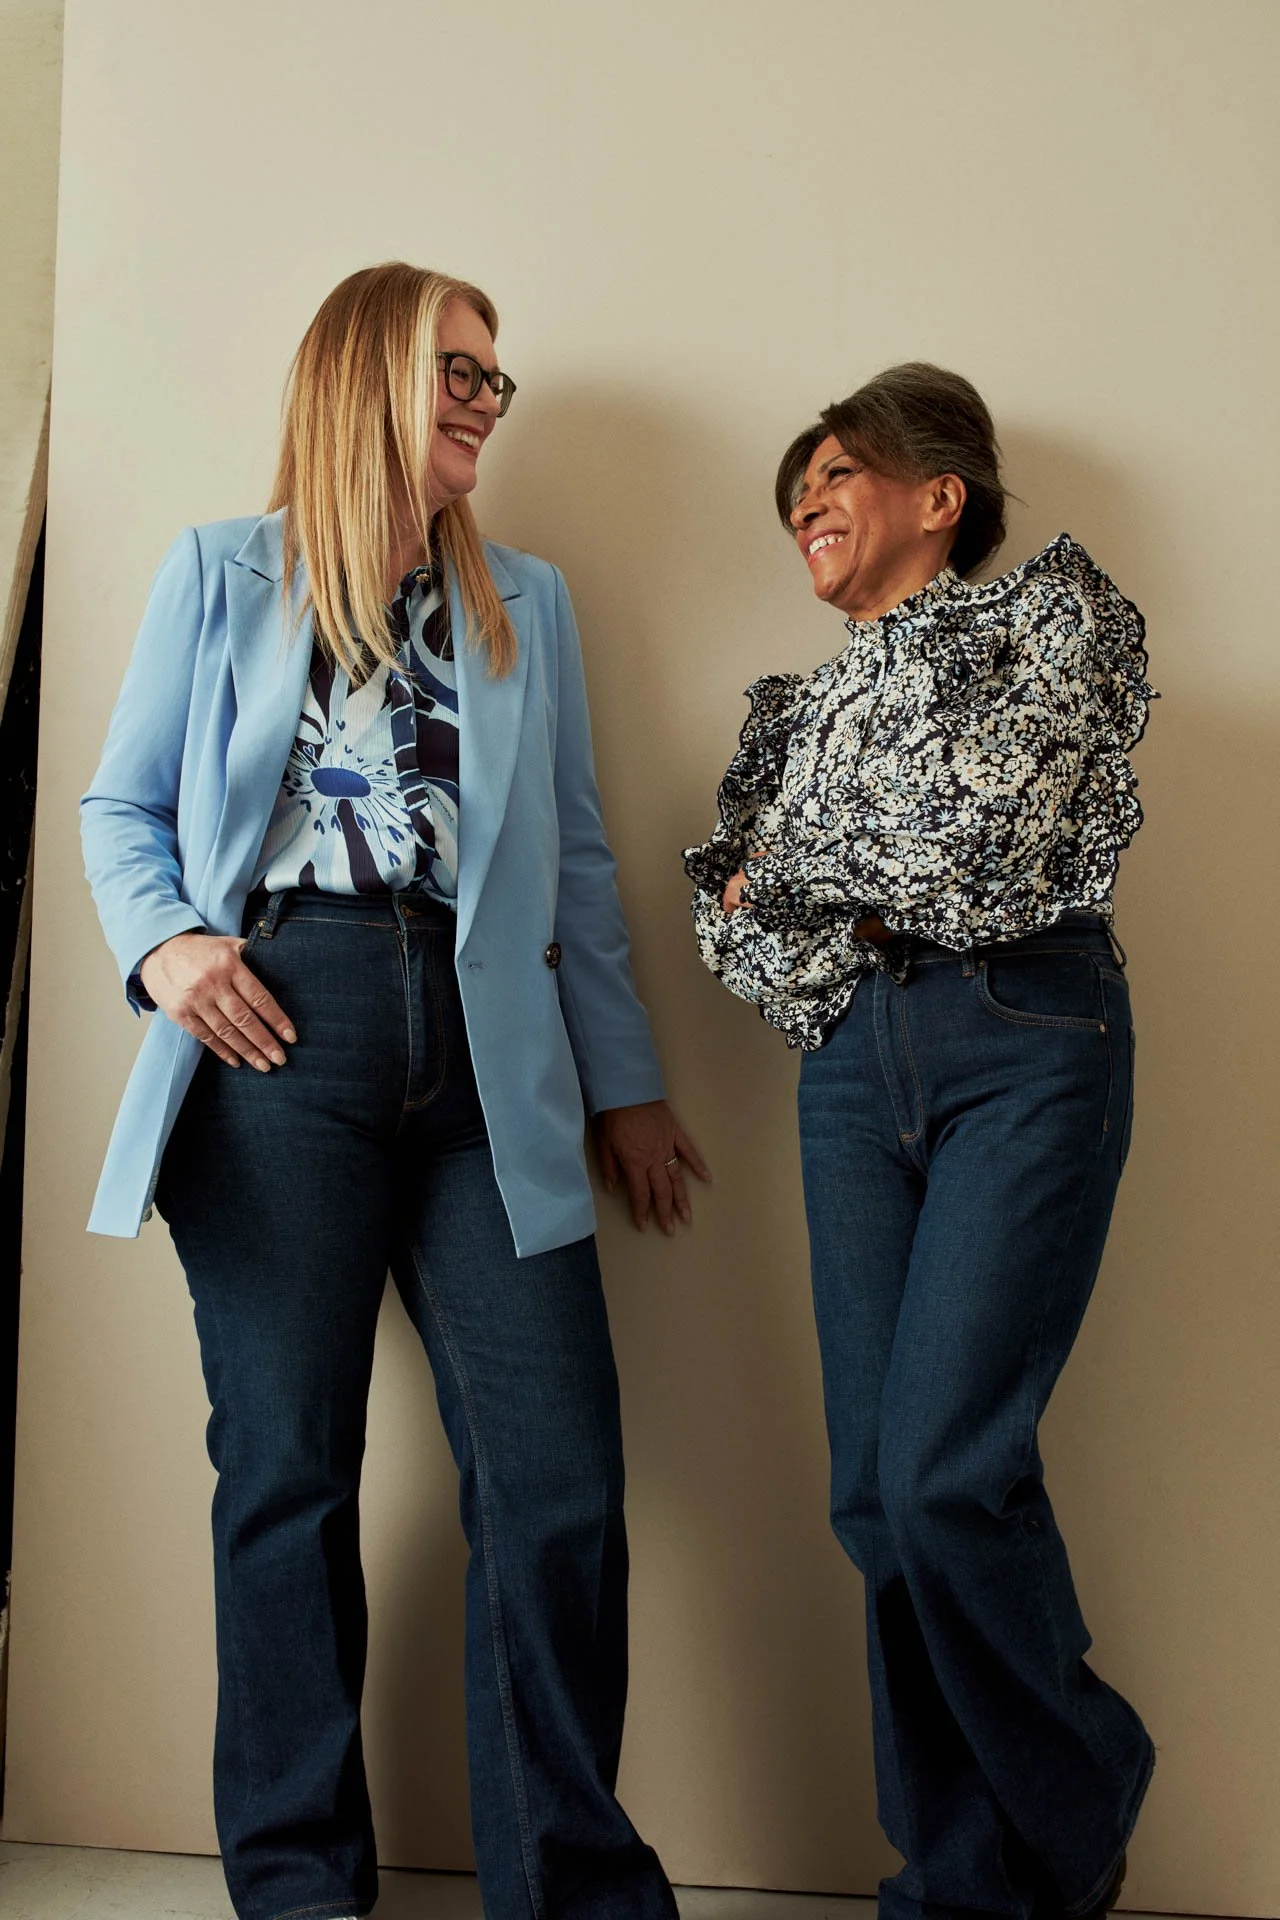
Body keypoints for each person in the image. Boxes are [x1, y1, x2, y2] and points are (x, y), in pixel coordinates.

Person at [82, 261, 707, 1920]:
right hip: (280, 1023)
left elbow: (572, 861)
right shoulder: (222, 574)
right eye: (459, 370)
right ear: (365, 372)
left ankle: (570, 1888)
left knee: (558, 1475)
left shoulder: (529, 601)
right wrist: (167, 954)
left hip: (491, 1047)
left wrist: (627, 1086)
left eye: (499, 379)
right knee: (287, 1473)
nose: (487, 403)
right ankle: (298, 1889)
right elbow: (117, 810)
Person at [684, 364, 1154, 1920]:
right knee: (877, 1505)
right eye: (794, 494)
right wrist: (781, 894)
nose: (805, 506)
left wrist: (788, 872)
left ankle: (1082, 1804)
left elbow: (989, 839)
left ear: (939, 495)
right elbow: (746, 950)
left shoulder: (1055, 625)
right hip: (849, 1065)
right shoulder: (796, 713)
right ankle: (958, 1888)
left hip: (1022, 1038)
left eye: (834, 475)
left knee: (948, 1474)